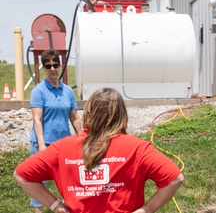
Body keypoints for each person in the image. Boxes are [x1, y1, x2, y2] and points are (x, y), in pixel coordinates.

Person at [14, 87, 184, 213]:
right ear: (122, 114)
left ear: (88, 112)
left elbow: (21, 175)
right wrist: (146, 210)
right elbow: (175, 178)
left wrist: (56, 206)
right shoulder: (138, 148)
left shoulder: (62, 148)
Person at [28, 49, 82, 213]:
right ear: (43, 68)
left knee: (67, 179)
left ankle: (67, 208)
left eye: (55, 65)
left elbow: (75, 117)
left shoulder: (67, 91)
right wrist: (42, 145)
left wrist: (82, 138)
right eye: (48, 65)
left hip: (64, 144)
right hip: (44, 143)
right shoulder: (39, 91)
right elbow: (37, 119)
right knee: (40, 180)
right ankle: (38, 210)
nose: (52, 69)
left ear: (60, 65)